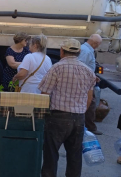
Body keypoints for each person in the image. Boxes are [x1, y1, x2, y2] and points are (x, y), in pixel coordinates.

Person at [38, 39, 96, 177]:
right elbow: (89, 98)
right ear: (79, 52)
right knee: (75, 156)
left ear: (62, 51)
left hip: (57, 117)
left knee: (51, 155)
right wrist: (80, 111)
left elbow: (45, 93)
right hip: (79, 117)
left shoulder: (57, 68)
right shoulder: (88, 71)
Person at [78, 34, 103, 135]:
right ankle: (90, 126)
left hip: (88, 79)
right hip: (86, 81)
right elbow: (81, 67)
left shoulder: (85, 50)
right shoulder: (86, 51)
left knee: (89, 102)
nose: (98, 46)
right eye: (98, 44)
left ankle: (87, 125)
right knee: (90, 102)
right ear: (95, 43)